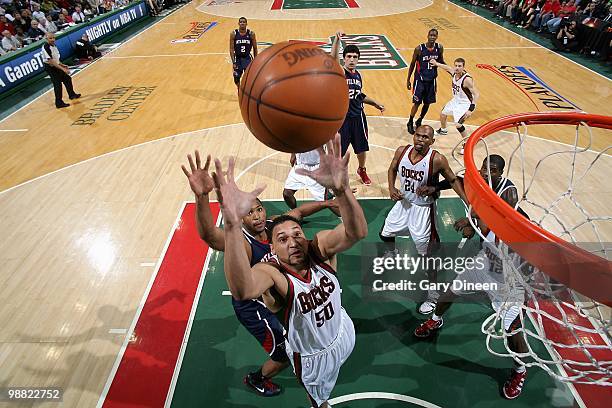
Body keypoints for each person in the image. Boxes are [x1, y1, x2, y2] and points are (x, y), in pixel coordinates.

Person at [211, 134, 367, 408]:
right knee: (319, 402)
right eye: (282, 239)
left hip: (342, 331)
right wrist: (233, 225)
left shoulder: (319, 248)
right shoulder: (271, 273)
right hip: (312, 356)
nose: (292, 240)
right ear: (272, 248)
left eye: (297, 234)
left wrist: (342, 192)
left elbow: (357, 232)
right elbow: (243, 289)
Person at [181, 150, 338, 397]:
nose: (256, 216)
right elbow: (210, 235)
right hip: (254, 305)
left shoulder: (275, 228)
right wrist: (202, 198)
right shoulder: (242, 242)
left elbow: (298, 213)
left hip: (276, 298)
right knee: (283, 353)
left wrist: (326, 203)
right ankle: (257, 378)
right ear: (239, 216)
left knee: (301, 334)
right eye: (249, 213)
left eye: (259, 210)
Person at [414, 154, 529, 400]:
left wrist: (473, 222)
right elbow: (458, 179)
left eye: (493, 170)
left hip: (508, 273)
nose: (487, 173)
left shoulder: (508, 192)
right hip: (485, 261)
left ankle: (520, 369)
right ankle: (435, 319)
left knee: (512, 330)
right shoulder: (478, 181)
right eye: (484, 168)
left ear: (501, 172)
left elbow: (497, 221)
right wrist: (435, 187)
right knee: (451, 291)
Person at [381, 125, 468, 314]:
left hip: (423, 210)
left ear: (432, 141)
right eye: (418, 136)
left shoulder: (437, 159)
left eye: (425, 137)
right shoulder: (401, 151)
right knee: (385, 233)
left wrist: (467, 202)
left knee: (427, 257)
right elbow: (392, 168)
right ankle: (393, 253)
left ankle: (433, 295)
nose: (420, 140)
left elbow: (453, 180)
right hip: (404, 203)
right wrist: (391, 188)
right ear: (414, 136)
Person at [331, 31, 385, 186]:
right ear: (344, 58)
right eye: (349, 56)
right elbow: (333, 58)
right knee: (339, 152)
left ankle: (361, 169)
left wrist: (374, 103)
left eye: (355, 57)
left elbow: (359, 94)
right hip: (343, 118)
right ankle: (338, 176)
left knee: (361, 148)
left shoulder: (358, 75)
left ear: (358, 59)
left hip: (358, 116)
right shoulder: (341, 72)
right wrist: (336, 40)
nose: (352, 59)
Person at [432, 57, 480, 155]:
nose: (457, 68)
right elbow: (447, 67)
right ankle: (443, 130)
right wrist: (436, 63)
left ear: (463, 67)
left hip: (465, 104)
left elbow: (477, 94)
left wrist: (470, 109)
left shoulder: (467, 80)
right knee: (443, 114)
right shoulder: (454, 73)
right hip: (456, 101)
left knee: (458, 125)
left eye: (459, 66)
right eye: (456, 65)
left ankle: (466, 143)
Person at [406, 29, 445, 135]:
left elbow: (441, 61)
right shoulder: (419, 48)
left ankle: (419, 120)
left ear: (437, 37)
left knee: (427, 103)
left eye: (434, 35)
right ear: (427, 35)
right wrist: (408, 79)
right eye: (431, 35)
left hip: (432, 80)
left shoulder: (439, 48)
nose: (432, 37)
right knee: (417, 103)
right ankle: (410, 121)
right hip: (420, 80)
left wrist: (451, 70)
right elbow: (412, 64)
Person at [283, 148, 341, 217]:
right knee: (287, 193)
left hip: (318, 167)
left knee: (326, 200)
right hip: (300, 166)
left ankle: (346, 220)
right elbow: (295, 142)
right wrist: (293, 154)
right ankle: (295, 213)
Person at [41, 32, 80, 108]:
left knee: (67, 79)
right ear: (46, 39)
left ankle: (72, 95)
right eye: (50, 38)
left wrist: (62, 64)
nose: (53, 39)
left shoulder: (54, 46)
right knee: (57, 84)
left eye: (53, 38)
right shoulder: (46, 47)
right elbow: (51, 61)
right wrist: (63, 69)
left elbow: (55, 59)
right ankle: (58, 103)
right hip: (50, 67)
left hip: (55, 65)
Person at [230, 17, 257, 91]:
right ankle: (239, 89)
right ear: (238, 23)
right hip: (238, 58)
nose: (242, 23)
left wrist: (255, 60)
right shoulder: (234, 34)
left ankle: (247, 92)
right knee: (236, 78)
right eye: (241, 22)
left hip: (247, 58)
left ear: (246, 24)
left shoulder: (251, 34)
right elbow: (231, 49)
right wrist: (233, 62)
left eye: (244, 22)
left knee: (249, 78)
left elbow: (255, 48)